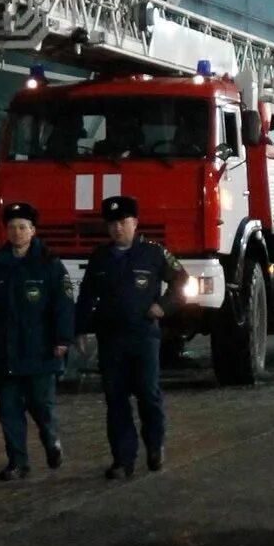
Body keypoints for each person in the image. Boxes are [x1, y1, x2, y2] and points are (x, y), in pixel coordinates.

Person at [0, 201, 75, 479]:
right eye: (12, 227)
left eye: (22, 227)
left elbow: (63, 305)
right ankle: (17, 462)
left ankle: (51, 442)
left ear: (33, 230)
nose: (17, 232)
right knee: (9, 410)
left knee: (40, 406)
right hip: (5, 352)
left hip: (40, 351)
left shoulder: (50, 265)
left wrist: (62, 338)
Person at [74, 195, 183, 479]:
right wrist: (80, 328)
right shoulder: (100, 258)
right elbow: (87, 296)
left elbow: (181, 281)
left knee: (148, 394)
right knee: (116, 399)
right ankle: (123, 459)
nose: (117, 228)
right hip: (111, 340)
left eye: (122, 222)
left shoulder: (153, 253)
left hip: (143, 337)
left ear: (135, 222)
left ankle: (155, 446)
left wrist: (164, 306)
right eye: (112, 223)